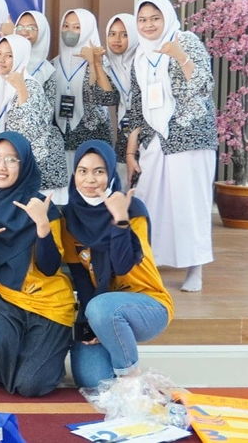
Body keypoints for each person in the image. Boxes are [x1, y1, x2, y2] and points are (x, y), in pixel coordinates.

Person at [0, 133, 74, 397]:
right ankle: (22, 359)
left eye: (12, 160)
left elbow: (50, 268)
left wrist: (42, 227)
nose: (1, 166)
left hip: (48, 302)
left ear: (24, 165)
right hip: (5, 296)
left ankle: (39, 362)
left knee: (32, 385)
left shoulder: (40, 207)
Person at [61, 141, 173, 388]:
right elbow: (81, 278)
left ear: (111, 173)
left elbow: (123, 266)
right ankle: (110, 338)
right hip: (99, 309)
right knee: (93, 381)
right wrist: (91, 325)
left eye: (99, 171)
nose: (90, 179)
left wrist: (120, 220)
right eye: (82, 171)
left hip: (147, 304)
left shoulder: (132, 209)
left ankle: (131, 378)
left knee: (102, 308)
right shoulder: (70, 217)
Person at [125, 0, 216, 293]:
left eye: (155, 18)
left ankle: (195, 268)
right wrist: (130, 151)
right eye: (142, 19)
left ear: (166, 18)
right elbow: (136, 106)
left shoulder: (185, 41)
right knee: (149, 201)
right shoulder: (140, 55)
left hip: (189, 136)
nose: (148, 25)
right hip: (156, 138)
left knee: (189, 203)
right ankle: (152, 263)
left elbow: (204, 85)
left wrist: (180, 56)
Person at [0, 35, 69, 198]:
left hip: (41, 171)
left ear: (21, 58)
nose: (1, 59)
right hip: (16, 165)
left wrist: (21, 88)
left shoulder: (30, 86)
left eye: (9, 55)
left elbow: (28, 131)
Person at [51, 9, 116, 161]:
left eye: (77, 27)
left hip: (92, 142)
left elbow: (107, 98)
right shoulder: (53, 64)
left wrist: (93, 63)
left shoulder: (101, 62)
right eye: (66, 26)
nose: (70, 31)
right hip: (59, 142)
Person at [102, 13, 140, 182]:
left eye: (124, 34)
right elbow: (106, 99)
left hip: (146, 138)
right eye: (112, 34)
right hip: (123, 137)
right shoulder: (109, 65)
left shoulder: (143, 63)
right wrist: (96, 64)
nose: (117, 39)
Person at [14, 11, 55, 99]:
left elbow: (49, 105)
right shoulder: (4, 61)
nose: (24, 32)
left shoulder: (48, 71)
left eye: (31, 28)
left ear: (42, 32)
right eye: (20, 27)